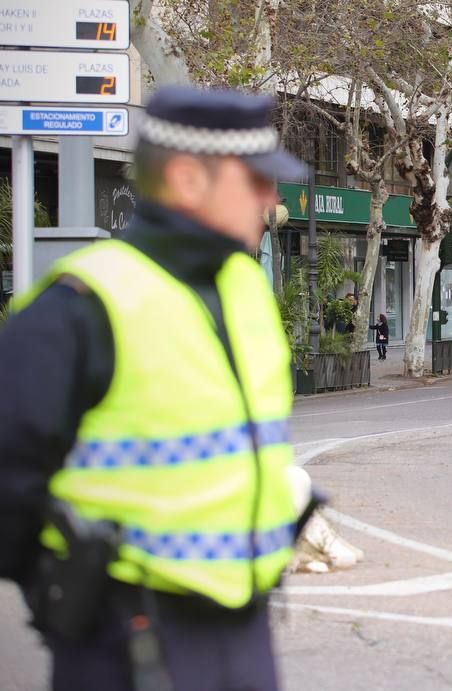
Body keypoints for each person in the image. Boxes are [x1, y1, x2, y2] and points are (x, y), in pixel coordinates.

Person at [0, 85, 311, 691]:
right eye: (254, 181)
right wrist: (61, 591)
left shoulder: (244, 288)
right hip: (124, 632)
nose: (271, 199)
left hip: (243, 627)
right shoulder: (82, 305)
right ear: (189, 179)